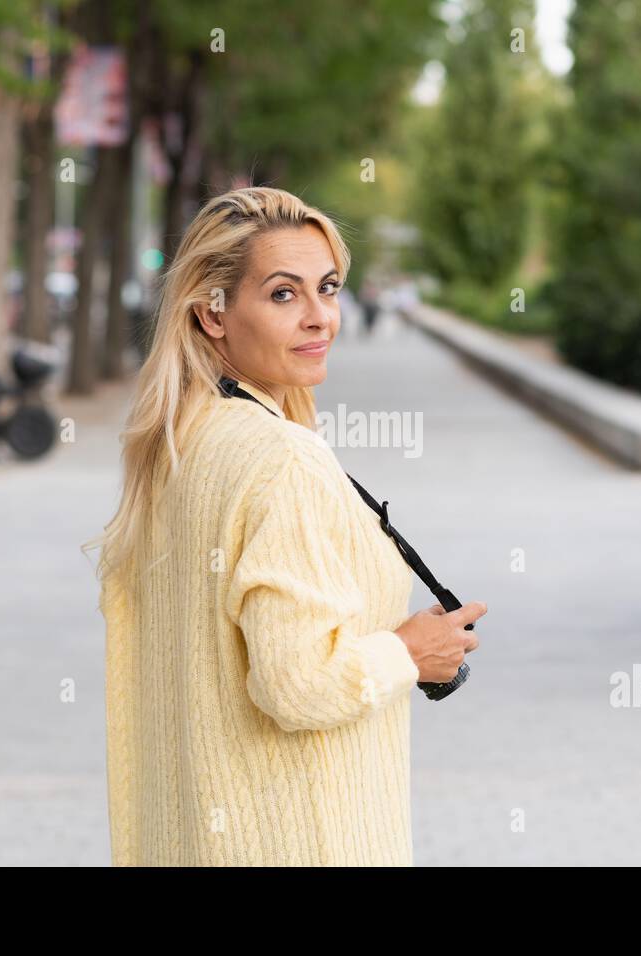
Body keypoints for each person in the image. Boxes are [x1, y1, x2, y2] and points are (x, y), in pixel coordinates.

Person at [87, 186, 486, 866]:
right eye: (282, 294)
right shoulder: (282, 460)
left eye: (327, 289)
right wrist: (408, 653)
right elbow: (296, 683)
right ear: (213, 315)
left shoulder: (179, 446)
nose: (320, 318)